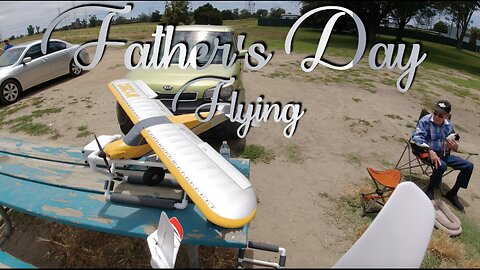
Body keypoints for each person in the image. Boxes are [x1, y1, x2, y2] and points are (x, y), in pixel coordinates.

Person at [411, 100, 474, 211]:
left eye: (440, 115)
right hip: (425, 152)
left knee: (468, 166)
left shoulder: (448, 125)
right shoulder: (425, 121)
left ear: (447, 116)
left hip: (443, 154)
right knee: (441, 165)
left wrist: (454, 147)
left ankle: (453, 193)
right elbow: (416, 137)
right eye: (435, 112)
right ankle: (430, 191)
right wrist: (429, 150)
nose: (436, 116)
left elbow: (453, 138)